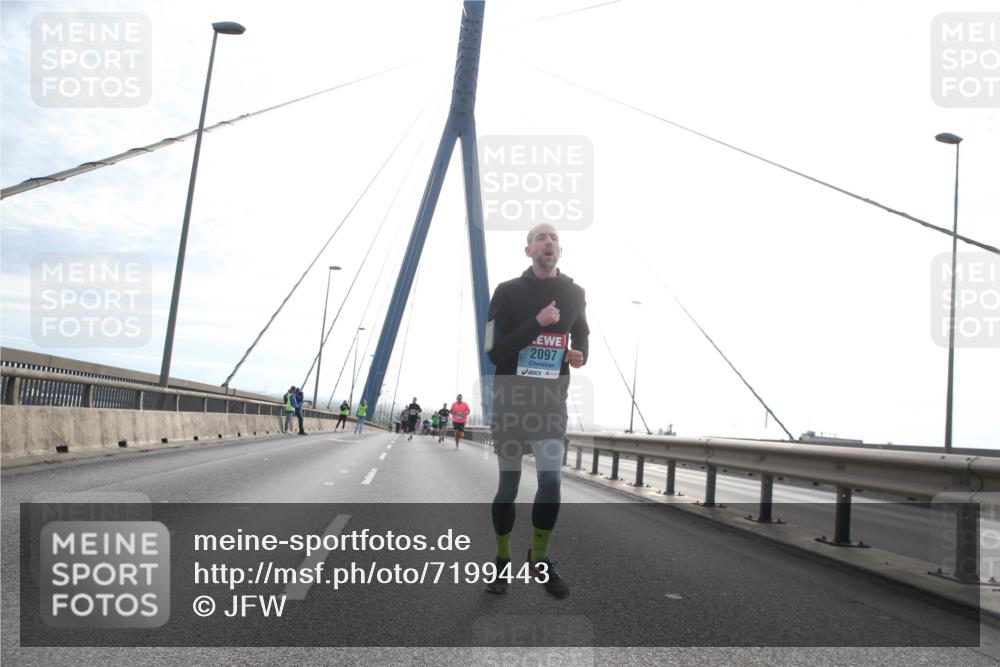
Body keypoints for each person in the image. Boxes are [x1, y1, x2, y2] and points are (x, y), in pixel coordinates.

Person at [483, 223, 588, 599]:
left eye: (554, 238)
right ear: (528, 250)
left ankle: (539, 558)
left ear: (560, 250)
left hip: (550, 406)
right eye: (540, 237)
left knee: (551, 482)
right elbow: (494, 351)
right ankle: (501, 560)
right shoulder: (506, 292)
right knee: (508, 488)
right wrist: (536, 324)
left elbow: (582, 334)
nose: (548, 242)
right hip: (511, 405)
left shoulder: (575, 293)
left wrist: (580, 354)